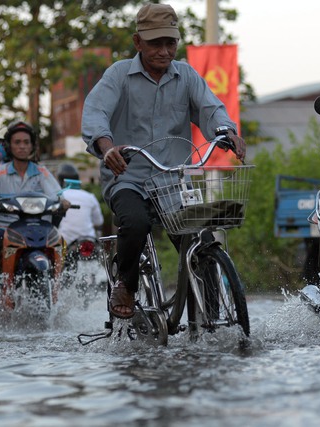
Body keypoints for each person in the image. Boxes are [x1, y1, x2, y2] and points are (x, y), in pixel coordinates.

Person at [81, 3, 246, 319]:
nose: (164, 50)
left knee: (200, 241)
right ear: (137, 42)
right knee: (136, 222)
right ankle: (125, 285)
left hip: (172, 180)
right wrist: (107, 148)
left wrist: (227, 132)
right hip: (127, 176)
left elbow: (210, 109)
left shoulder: (186, 75)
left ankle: (210, 319)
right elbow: (96, 112)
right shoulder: (119, 75)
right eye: (156, 43)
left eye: (170, 42)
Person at [0, 120, 69, 275]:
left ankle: (58, 282)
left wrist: (63, 201)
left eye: (26, 142)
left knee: (60, 240)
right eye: (17, 142)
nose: (22, 146)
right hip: (4, 228)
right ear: (9, 146)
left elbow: (56, 193)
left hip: (37, 227)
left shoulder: (42, 172)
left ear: (32, 146)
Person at [56, 162, 104, 244]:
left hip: (65, 242)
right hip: (88, 241)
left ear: (60, 180)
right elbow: (98, 222)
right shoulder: (90, 196)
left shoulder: (58, 196)